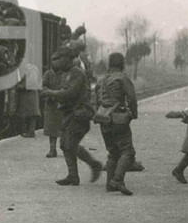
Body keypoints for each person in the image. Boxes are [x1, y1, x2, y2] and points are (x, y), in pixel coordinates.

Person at [40, 47, 103, 186]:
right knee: (65, 144)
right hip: (70, 114)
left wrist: (50, 92)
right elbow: (63, 93)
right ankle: (73, 175)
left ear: (67, 59)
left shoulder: (77, 73)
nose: (55, 63)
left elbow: (69, 93)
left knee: (69, 144)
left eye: (58, 59)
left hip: (80, 113)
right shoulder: (67, 73)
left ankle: (93, 165)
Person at [95, 52, 139, 195]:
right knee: (128, 151)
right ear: (122, 64)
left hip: (104, 119)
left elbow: (96, 101)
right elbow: (132, 98)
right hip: (119, 119)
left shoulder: (101, 81)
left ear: (109, 65)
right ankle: (118, 180)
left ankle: (110, 183)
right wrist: (133, 114)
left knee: (113, 152)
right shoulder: (122, 78)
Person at [41, 52, 65, 157]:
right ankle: (52, 149)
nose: (55, 63)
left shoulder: (65, 74)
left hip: (63, 105)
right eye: (53, 61)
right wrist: (49, 94)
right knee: (51, 129)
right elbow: (43, 86)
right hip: (51, 104)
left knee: (65, 128)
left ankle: (66, 149)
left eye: (57, 60)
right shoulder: (48, 74)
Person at [16, 60, 41, 138]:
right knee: (30, 114)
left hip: (30, 96)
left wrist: (20, 87)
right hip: (29, 96)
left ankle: (30, 132)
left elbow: (31, 82)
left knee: (31, 114)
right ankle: (29, 131)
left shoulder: (31, 70)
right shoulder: (31, 70)